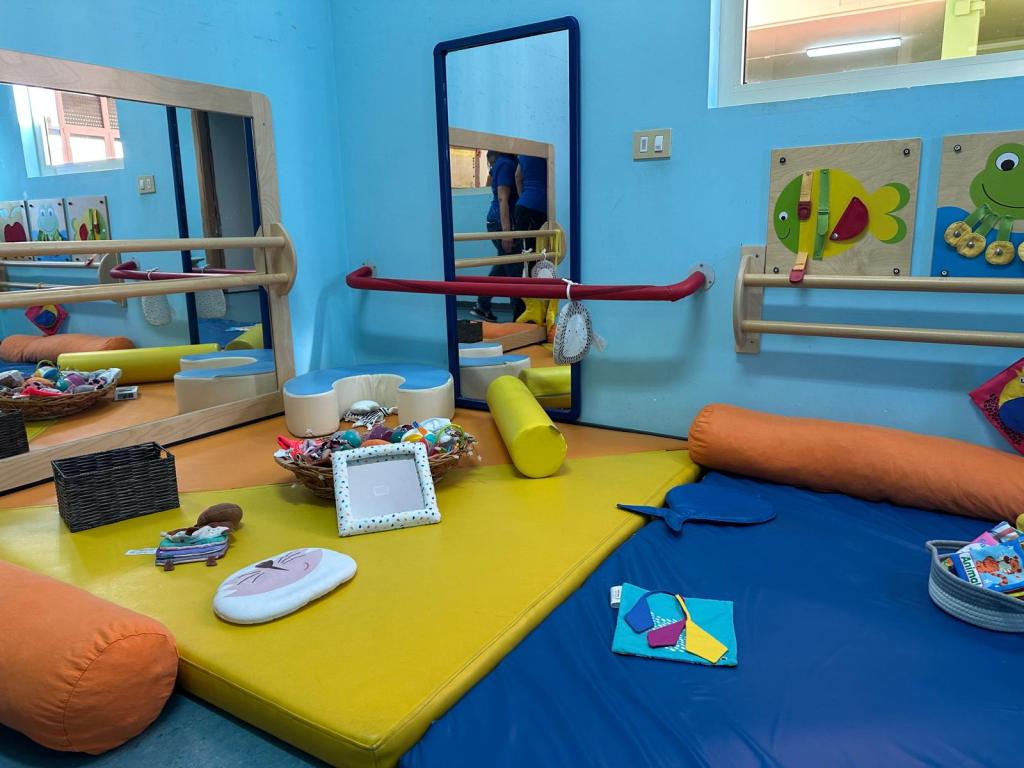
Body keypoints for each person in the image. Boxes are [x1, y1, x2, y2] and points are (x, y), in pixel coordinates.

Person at [470, 151, 524, 322]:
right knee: (514, 270)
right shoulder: (506, 164)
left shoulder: (507, 163)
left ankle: (482, 304)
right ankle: (520, 318)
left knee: (503, 266)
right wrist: (506, 232)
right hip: (501, 223)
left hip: (501, 222)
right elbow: (502, 198)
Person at [514, 154, 548, 258]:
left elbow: (517, 176)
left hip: (522, 205)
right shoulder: (545, 152)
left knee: (525, 253)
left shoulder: (524, 153)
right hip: (539, 206)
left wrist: (524, 197)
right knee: (538, 255)